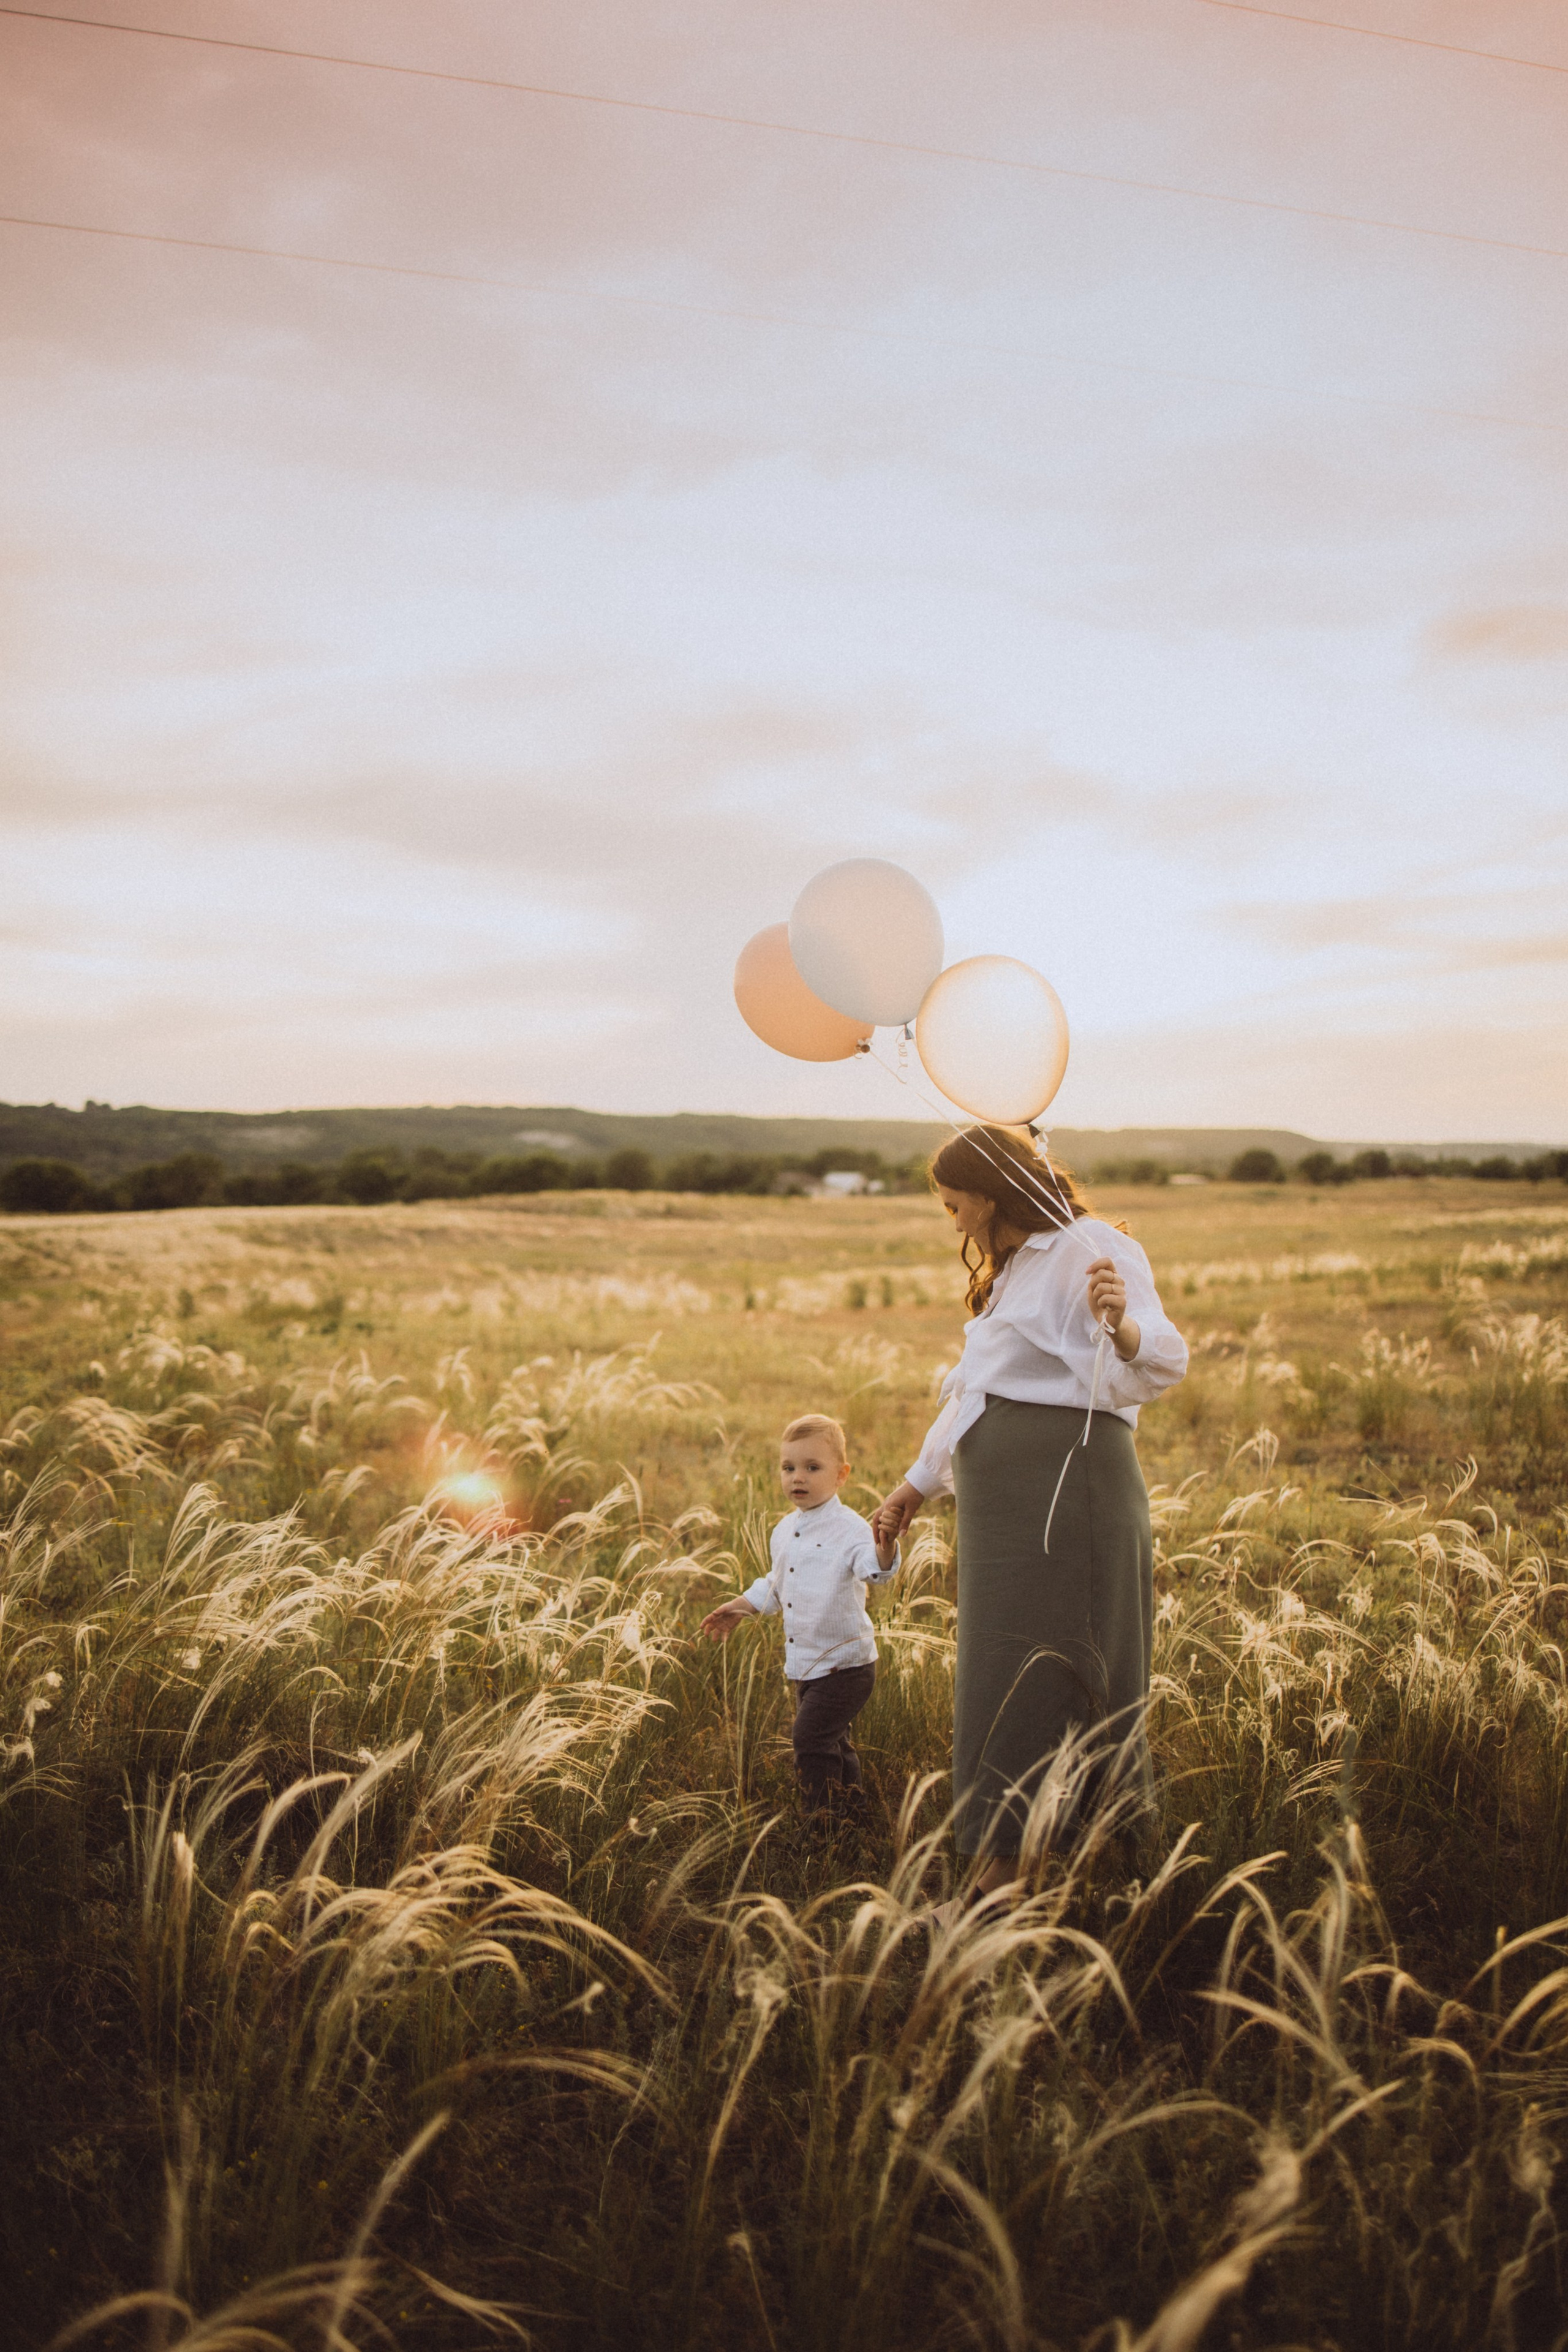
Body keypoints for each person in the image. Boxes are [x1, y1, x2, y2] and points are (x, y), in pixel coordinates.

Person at [873, 1125, 1187, 1900]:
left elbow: (1164, 1360)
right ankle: (1035, 1865)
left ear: (988, 1192)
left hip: (1068, 1489)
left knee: (1046, 1673)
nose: (948, 1215)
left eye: (953, 1201)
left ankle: (1012, 1875)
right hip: (1001, 1507)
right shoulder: (1011, 1268)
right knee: (999, 1668)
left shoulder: (1089, 1245)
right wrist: (917, 1483)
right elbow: (979, 1392)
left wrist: (1120, 1324)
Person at [701, 1413, 900, 1811]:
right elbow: (776, 1587)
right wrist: (740, 1607)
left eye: (813, 1468)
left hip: (845, 1665)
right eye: (789, 1468)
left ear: (841, 1475)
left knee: (810, 1739)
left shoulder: (851, 1529)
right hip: (807, 1663)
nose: (798, 1478)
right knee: (832, 1739)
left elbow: (875, 1571)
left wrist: (886, 1543)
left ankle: (821, 1825)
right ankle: (852, 1811)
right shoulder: (784, 1531)